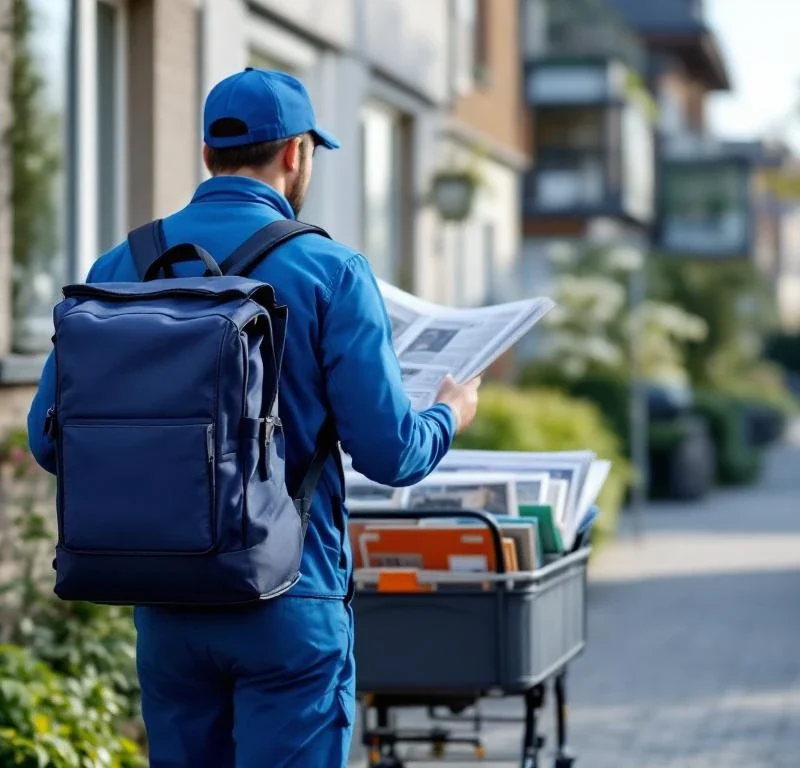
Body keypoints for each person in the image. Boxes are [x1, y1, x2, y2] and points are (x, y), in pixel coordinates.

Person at [27, 68, 481, 768]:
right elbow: (392, 454)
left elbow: (47, 439)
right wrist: (448, 413)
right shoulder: (331, 269)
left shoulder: (120, 266)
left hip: (167, 603)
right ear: (296, 153)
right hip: (290, 594)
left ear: (207, 153)